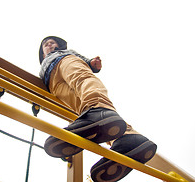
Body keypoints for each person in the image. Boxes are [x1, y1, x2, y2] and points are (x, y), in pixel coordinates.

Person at [39, 36, 157, 182]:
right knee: (81, 107)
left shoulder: (66, 52)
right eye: (46, 44)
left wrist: (91, 63)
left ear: (58, 45)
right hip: (53, 83)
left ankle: (97, 111)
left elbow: (84, 62)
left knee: (83, 81)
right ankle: (127, 138)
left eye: (52, 42)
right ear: (42, 52)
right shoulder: (43, 66)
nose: (49, 45)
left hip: (65, 62)